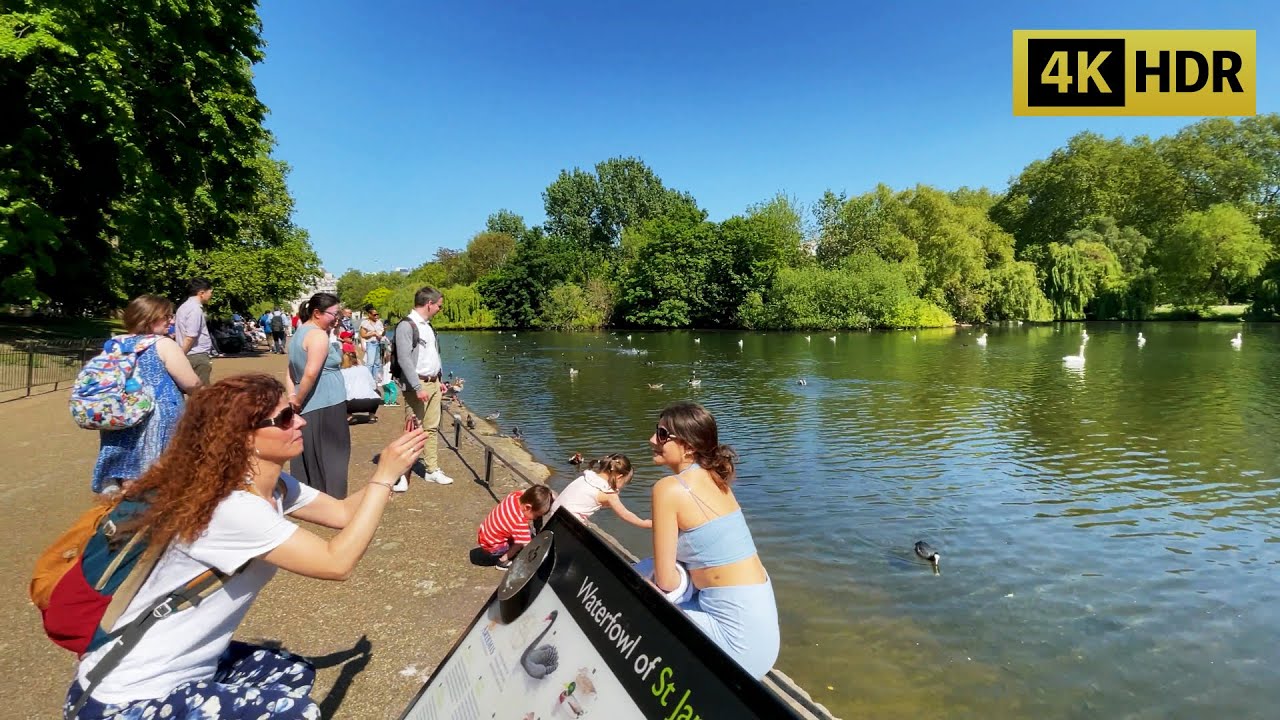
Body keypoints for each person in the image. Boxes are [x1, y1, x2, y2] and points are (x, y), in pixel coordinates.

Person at [65, 373, 429, 718]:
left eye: (294, 413)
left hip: (175, 672)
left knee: (291, 673)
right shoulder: (230, 507)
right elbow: (336, 563)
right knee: (296, 713)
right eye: (284, 418)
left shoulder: (273, 486)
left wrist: (394, 470)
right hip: (127, 698)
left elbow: (344, 513)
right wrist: (382, 477)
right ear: (243, 437)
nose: (299, 422)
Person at [643, 401, 778, 679]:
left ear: (689, 446)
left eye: (662, 434)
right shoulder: (716, 478)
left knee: (634, 597)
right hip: (760, 638)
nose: (652, 440)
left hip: (737, 645)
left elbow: (666, 581)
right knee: (642, 571)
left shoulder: (668, 489)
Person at [92, 295, 203, 495]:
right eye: (166, 316)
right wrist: (201, 395)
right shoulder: (163, 344)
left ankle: (124, 509)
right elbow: (190, 382)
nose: (171, 320)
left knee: (126, 471)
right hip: (156, 415)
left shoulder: (114, 343)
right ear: (149, 318)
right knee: (157, 472)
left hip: (122, 413)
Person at [285, 293, 351, 499]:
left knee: (311, 450)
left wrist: (293, 396)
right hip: (326, 402)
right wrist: (298, 398)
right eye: (334, 314)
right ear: (317, 313)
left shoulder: (299, 332)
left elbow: (290, 370)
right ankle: (333, 498)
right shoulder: (318, 335)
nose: (337, 318)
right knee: (333, 452)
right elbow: (311, 372)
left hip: (308, 402)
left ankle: (309, 495)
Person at [393, 287, 453, 490]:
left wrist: (440, 379)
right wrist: (417, 387)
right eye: (439, 305)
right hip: (418, 384)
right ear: (429, 304)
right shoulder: (407, 326)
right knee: (412, 430)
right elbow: (404, 359)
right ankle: (402, 474)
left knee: (431, 428)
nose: (439, 309)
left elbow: (432, 355)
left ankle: (431, 470)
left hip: (434, 382)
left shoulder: (427, 326)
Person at [551, 453, 651, 529]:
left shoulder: (588, 476)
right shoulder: (608, 494)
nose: (621, 487)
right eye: (624, 483)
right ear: (619, 477)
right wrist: (643, 523)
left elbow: (587, 499)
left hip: (554, 514)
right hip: (566, 523)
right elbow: (625, 514)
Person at [477, 485, 554, 569]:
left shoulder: (514, 496)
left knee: (525, 532)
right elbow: (527, 545)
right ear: (527, 507)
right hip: (493, 547)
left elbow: (525, 490)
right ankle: (503, 561)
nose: (535, 518)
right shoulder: (519, 522)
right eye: (536, 515)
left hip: (484, 535)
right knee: (519, 544)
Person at [175, 277, 214, 385]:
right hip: (197, 355)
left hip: (192, 354)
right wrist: (180, 356)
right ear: (201, 293)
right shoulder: (195, 309)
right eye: (210, 292)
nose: (211, 295)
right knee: (202, 394)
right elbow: (190, 336)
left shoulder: (183, 307)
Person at [340, 347, 381, 424]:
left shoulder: (342, 372)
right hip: (371, 402)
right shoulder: (364, 369)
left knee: (341, 395)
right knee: (377, 392)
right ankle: (371, 416)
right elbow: (373, 386)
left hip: (351, 403)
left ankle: (349, 416)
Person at [359, 305, 385, 382]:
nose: (376, 316)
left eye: (377, 314)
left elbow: (382, 333)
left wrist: (384, 331)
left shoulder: (379, 322)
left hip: (379, 343)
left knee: (377, 363)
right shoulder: (365, 323)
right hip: (371, 343)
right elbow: (362, 335)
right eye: (374, 315)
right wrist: (373, 333)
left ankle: (375, 378)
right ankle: (368, 379)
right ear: (369, 315)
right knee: (370, 363)